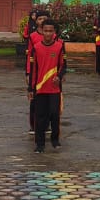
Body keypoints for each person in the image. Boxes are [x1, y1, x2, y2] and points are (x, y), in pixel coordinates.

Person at [28, 18, 66, 153]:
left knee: (55, 114)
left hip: (54, 89)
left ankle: (55, 140)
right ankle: (40, 144)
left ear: (54, 32)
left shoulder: (60, 46)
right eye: (46, 31)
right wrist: (31, 89)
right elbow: (33, 70)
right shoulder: (36, 48)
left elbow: (63, 65)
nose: (48, 34)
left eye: (51, 31)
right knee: (40, 116)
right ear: (41, 31)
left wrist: (59, 77)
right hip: (40, 89)